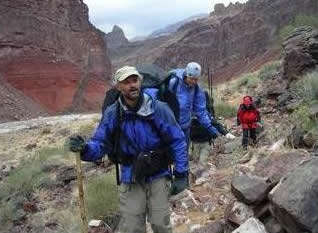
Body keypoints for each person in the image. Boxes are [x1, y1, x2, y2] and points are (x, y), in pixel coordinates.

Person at [68, 66, 189, 233]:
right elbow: (101, 143)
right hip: (130, 176)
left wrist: (181, 173)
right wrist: (85, 149)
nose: (132, 85)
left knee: (161, 225)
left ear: (140, 82)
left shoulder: (158, 108)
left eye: (135, 80)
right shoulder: (113, 113)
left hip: (158, 174)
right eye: (126, 82)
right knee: (132, 228)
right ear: (118, 86)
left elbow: (177, 139)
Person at [159, 62, 220, 147]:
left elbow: (200, 111)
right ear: (186, 75)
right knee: (172, 155)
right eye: (191, 79)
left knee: (184, 154)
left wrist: (210, 128)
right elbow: (161, 101)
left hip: (185, 128)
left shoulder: (196, 89)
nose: (194, 82)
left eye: (196, 79)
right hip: (171, 128)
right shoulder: (174, 83)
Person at [190, 90, 235, 164]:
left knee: (202, 162)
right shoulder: (187, 114)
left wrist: (225, 133)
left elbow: (214, 123)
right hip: (194, 143)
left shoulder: (204, 113)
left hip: (206, 142)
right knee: (195, 162)